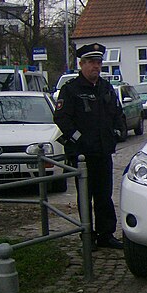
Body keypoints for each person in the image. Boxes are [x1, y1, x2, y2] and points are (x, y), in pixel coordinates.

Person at [54, 43, 126, 249]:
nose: (96, 66)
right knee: (85, 196)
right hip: (82, 155)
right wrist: (79, 138)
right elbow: (62, 119)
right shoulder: (71, 90)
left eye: (99, 62)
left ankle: (106, 234)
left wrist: (118, 130)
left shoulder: (105, 88)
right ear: (82, 64)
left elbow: (117, 113)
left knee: (104, 195)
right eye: (92, 63)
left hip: (103, 152)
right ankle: (87, 234)